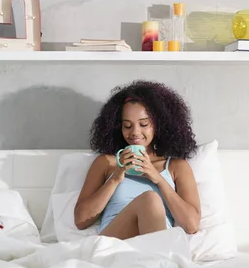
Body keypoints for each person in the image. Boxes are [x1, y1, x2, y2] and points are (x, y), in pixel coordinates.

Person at [74, 80, 201, 240]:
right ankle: (157, 262)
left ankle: (156, 261)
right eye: (127, 126)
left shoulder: (177, 167)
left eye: (143, 124)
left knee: (151, 200)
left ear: (158, 125)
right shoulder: (107, 163)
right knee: (150, 199)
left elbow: (192, 225)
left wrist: (158, 179)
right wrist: (115, 178)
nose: (135, 132)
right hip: (115, 246)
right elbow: (80, 220)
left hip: (157, 246)